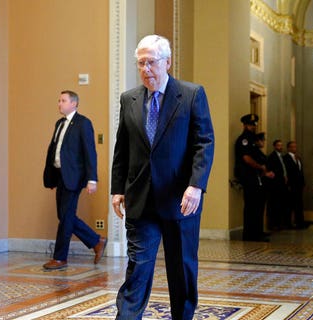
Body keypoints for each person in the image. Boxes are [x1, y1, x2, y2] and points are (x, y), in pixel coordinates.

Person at [111, 34, 215, 320]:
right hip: (140, 200)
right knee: (138, 267)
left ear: (167, 62)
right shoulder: (128, 99)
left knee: (181, 268)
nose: (146, 69)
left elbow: (204, 142)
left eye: (151, 62)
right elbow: (123, 147)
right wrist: (117, 188)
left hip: (180, 200)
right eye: (141, 63)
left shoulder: (192, 95)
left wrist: (196, 185)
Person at [42, 90, 107, 269]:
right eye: (59, 100)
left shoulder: (83, 123)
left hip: (74, 177)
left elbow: (90, 152)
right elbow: (55, 150)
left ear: (74, 104)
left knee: (66, 217)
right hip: (60, 176)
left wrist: (92, 179)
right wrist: (51, 178)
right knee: (64, 216)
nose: (59, 104)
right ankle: (96, 241)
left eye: (63, 101)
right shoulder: (59, 123)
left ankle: (60, 257)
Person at [234, 115, 271, 242]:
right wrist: (260, 167)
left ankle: (257, 231)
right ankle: (250, 234)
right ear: (245, 125)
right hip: (248, 177)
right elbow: (246, 158)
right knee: (251, 206)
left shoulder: (252, 140)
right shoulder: (244, 140)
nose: (253, 127)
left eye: (254, 124)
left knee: (258, 205)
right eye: (251, 124)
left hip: (255, 177)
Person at [283, 141, 308, 229]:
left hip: (299, 185)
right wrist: (288, 184)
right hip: (292, 185)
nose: (294, 148)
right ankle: (288, 223)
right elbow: (288, 172)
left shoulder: (298, 158)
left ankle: (300, 222)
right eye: (292, 147)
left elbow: (300, 171)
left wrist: (303, 182)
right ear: (288, 148)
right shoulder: (286, 158)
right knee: (290, 205)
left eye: (295, 147)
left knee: (299, 204)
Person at [266, 139, 290, 230]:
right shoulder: (272, 157)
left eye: (281, 145)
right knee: (274, 204)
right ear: (275, 146)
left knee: (281, 204)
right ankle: (274, 224)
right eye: (279, 145)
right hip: (275, 184)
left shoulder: (282, 157)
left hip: (282, 184)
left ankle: (280, 223)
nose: (281, 147)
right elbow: (273, 170)